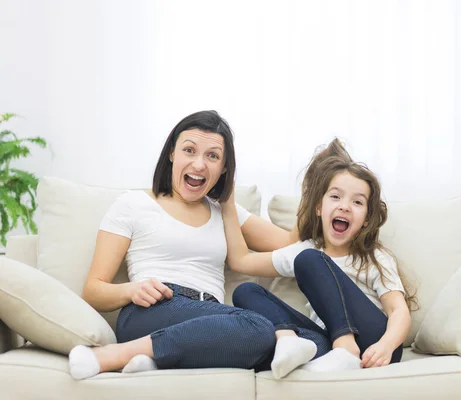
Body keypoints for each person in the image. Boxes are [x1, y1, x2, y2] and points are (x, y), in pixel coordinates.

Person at [68, 110, 297, 380]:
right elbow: (92, 290)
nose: (199, 164)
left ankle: (156, 358)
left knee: (310, 339)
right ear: (172, 154)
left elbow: (289, 244)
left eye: (212, 156)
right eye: (189, 150)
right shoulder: (133, 205)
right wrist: (132, 290)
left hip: (211, 318)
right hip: (151, 311)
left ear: (224, 168)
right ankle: (112, 355)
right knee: (259, 329)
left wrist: (321, 191)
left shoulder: (225, 211)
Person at [221, 138, 417, 379]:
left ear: (366, 219)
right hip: (327, 343)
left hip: (373, 343)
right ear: (318, 208)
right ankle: (291, 341)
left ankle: (346, 347)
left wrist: (386, 345)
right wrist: (226, 204)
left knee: (309, 259)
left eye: (357, 202)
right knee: (246, 291)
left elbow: (398, 310)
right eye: (335, 197)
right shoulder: (305, 249)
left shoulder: (373, 257)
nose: (345, 206)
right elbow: (240, 262)